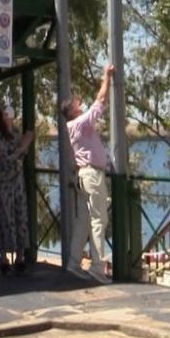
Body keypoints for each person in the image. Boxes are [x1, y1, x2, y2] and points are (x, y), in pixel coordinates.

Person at [65, 64, 114, 284]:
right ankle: (97, 267)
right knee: (98, 220)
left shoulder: (74, 126)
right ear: (73, 110)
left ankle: (73, 263)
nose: (80, 103)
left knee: (83, 221)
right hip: (92, 176)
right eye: (77, 103)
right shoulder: (80, 123)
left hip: (83, 176)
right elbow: (100, 100)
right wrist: (107, 76)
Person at [0, 102, 33, 276]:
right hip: (3, 180)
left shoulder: (15, 132)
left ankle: (20, 256)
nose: (9, 115)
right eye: (4, 113)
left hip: (17, 179)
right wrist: (23, 147)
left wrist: (23, 145)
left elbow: (22, 153)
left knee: (20, 213)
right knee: (5, 215)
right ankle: (4, 257)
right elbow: (6, 157)